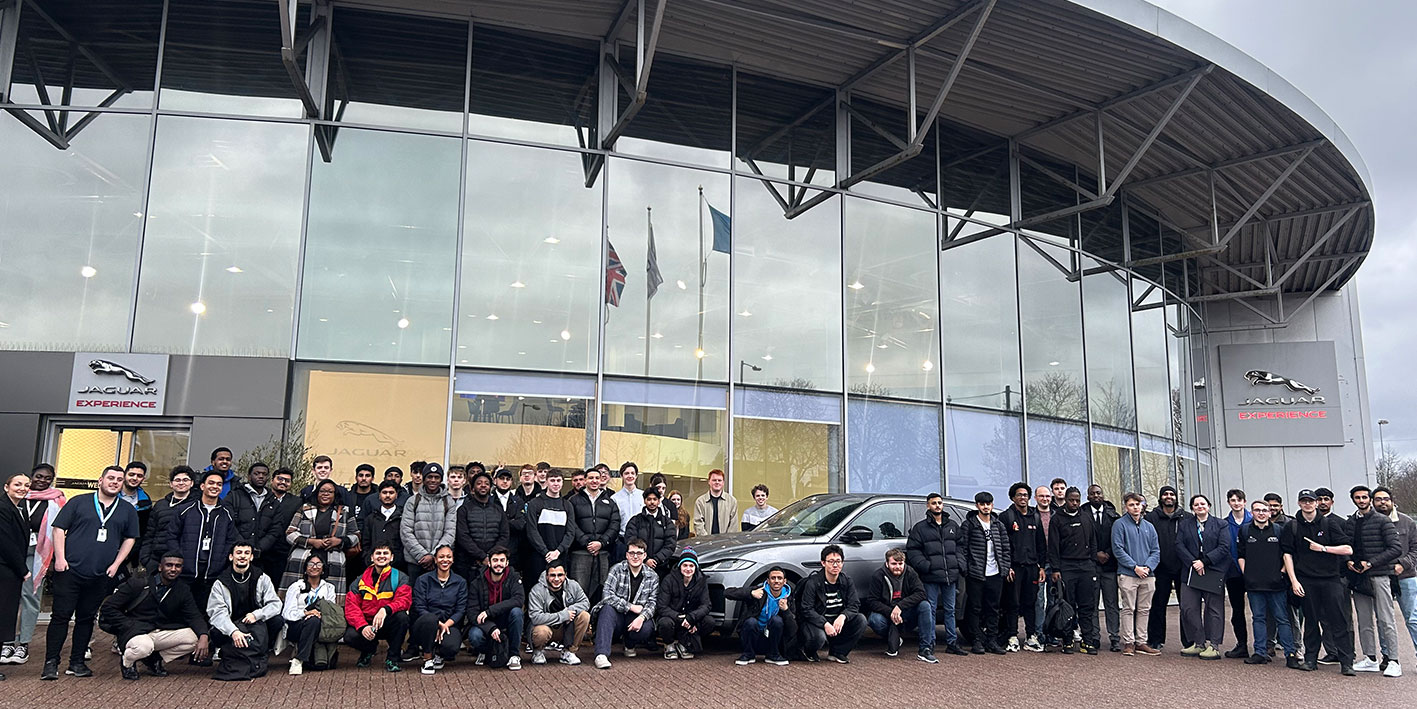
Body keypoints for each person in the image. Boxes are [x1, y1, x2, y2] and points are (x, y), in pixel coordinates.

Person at [42, 465, 139, 680]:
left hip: (101, 574)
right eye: (111, 478)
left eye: (119, 480)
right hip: (69, 570)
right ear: (100, 480)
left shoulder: (127, 510)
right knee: (60, 617)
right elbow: (58, 529)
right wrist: (60, 558)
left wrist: (116, 565)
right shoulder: (79, 502)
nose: (114, 482)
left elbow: (130, 538)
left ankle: (77, 662)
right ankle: (51, 663)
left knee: (86, 619)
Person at [100, 553, 210, 681]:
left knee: (195, 638)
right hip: (134, 632)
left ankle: (154, 660)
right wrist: (127, 624)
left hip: (159, 631)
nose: (173, 569)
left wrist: (204, 636)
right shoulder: (139, 584)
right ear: (160, 567)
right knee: (144, 647)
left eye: (178, 566)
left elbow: (194, 615)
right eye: (169, 565)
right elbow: (108, 608)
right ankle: (127, 663)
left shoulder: (182, 589)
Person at [1283, 488, 1356, 675]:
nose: (1308, 504)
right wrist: (1294, 581)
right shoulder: (1292, 526)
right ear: (1299, 503)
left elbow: (1347, 549)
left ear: (1316, 503)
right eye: (1304, 501)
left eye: (1311, 501)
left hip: (1331, 580)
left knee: (1338, 621)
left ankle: (1346, 662)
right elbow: (1287, 555)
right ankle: (1310, 659)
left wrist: (1323, 548)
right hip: (1306, 580)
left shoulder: (1329, 524)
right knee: (1311, 622)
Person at [12, 463, 65, 666]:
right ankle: (7, 641)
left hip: (38, 554)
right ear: (31, 476)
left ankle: (23, 643)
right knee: (9, 597)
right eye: (39, 476)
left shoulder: (57, 500)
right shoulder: (17, 496)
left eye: (47, 478)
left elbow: (59, 531)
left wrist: (53, 559)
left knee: (30, 597)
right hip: (13, 552)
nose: (42, 481)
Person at [1345, 484, 1402, 675]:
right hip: (1358, 578)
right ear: (1353, 499)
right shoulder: (1350, 522)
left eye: (1364, 497)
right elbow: (1346, 546)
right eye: (1357, 498)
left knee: (1386, 619)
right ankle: (1370, 657)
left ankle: (1394, 660)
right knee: (1363, 620)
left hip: (1380, 576)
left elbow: (1395, 549)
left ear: (1369, 498)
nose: (1361, 500)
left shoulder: (1382, 521)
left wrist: (1371, 563)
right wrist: (1349, 562)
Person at [1235, 499, 1298, 668]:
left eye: (1264, 510)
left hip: (1276, 584)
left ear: (1270, 513)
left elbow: (1288, 554)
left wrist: (1282, 573)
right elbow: (1240, 555)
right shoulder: (1245, 530)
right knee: (1258, 618)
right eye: (1257, 510)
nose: (1261, 513)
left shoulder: (1279, 530)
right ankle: (1260, 652)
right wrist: (1246, 573)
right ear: (1252, 512)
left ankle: (1290, 654)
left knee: (1282, 619)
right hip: (1254, 584)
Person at [207, 543, 282, 681]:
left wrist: (257, 614)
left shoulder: (262, 578)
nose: (242, 556)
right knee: (216, 631)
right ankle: (223, 650)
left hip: (256, 623)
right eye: (239, 552)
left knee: (278, 620)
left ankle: (263, 650)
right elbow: (217, 613)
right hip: (231, 624)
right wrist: (233, 631)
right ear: (231, 557)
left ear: (251, 557)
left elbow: (276, 604)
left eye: (247, 553)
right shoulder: (220, 582)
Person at [165, 469, 238, 605]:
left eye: (219, 484)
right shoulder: (185, 509)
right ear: (202, 486)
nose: (215, 487)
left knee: (205, 611)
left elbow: (230, 540)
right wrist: (179, 557)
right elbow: (172, 535)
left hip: (213, 572)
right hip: (186, 571)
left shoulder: (227, 513)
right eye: (211, 483)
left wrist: (222, 560)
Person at [905, 493, 964, 657]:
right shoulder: (920, 528)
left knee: (950, 610)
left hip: (950, 575)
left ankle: (952, 643)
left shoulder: (952, 525)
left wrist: (958, 563)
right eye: (934, 503)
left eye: (939, 503)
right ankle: (929, 643)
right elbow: (913, 550)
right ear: (928, 506)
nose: (937, 505)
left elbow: (960, 546)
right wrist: (925, 566)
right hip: (930, 576)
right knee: (929, 609)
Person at [282, 479, 360, 598]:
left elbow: (356, 535)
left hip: (333, 558)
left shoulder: (345, 511)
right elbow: (290, 533)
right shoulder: (304, 509)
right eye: (322, 491)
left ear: (335, 495)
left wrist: (340, 541)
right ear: (317, 493)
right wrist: (310, 542)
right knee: (298, 596)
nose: (325, 494)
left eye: (330, 492)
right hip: (303, 557)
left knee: (329, 600)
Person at [1175, 493, 1230, 660]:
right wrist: (1194, 562)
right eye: (1196, 505)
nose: (1200, 507)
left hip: (1212, 571)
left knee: (1214, 609)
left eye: (1203, 504)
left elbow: (1224, 546)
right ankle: (1198, 643)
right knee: (1188, 608)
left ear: (1209, 506)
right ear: (1192, 508)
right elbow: (1179, 545)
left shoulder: (1221, 524)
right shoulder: (1185, 525)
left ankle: (1213, 645)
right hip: (1190, 572)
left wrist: (1204, 562)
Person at [591, 537, 658, 669]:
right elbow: (607, 595)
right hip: (617, 616)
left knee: (647, 627)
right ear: (627, 555)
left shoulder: (653, 576)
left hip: (634, 618)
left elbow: (653, 603)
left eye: (639, 553)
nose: (635, 557)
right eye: (632, 553)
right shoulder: (616, 569)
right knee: (607, 609)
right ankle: (601, 654)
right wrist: (630, 607)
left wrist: (642, 617)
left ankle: (629, 643)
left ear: (644, 556)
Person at [1048, 486, 1100, 655]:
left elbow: (1093, 542)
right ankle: (1068, 640)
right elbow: (1053, 547)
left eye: (1077, 500)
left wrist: (1092, 563)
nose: (1075, 503)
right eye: (1072, 500)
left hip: (1086, 567)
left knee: (1087, 606)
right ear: (1066, 500)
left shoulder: (1086, 518)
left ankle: (1088, 641)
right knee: (1068, 606)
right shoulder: (1057, 519)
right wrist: (1056, 568)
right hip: (1066, 567)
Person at [343, 544, 411, 672]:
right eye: (378, 553)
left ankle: (393, 658)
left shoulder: (400, 578)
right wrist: (362, 626)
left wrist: (385, 609)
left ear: (392, 558)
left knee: (402, 618)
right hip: (367, 624)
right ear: (372, 558)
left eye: (385, 553)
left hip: (388, 622)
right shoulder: (360, 580)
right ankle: (368, 650)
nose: (382, 556)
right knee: (350, 636)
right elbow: (352, 607)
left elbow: (404, 601)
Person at [799, 544, 867, 663]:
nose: (835, 565)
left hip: (836, 621)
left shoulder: (846, 581)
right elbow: (806, 609)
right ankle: (809, 651)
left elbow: (854, 604)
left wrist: (843, 616)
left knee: (861, 620)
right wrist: (824, 623)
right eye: (831, 561)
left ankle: (838, 652)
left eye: (838, 561)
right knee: (818, 638)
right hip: (817, 622)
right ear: (823, 563)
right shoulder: (813, 582)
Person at [961, 490, 1011, 654]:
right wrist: (967, 568)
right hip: (976, 574)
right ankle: (977, 640)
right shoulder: (969, 524)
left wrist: (1004, 567)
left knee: (993, 608)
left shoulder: (998, 525)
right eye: (982, 504)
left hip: (995, 574)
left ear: (992, 505)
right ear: (977, 506)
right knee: (975, 608)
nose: (985, 507)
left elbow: (1005, 548)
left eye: (988, 504)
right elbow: (963, 548)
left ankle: (992, 640)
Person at [1112, 492, 1161, 656]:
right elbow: (1118, 550)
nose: (1135, 507)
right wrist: (1135, 567)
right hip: (1128, 574)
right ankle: (1128, 642)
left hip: (1148, 575)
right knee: (1128, 608)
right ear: (1126, 506)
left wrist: (1147, 567)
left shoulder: (1149, 527)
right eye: (1131, 504)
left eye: (1137, 504)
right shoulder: (1119, 525)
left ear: (1142, 506)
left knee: (1144, 609)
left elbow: (1156, 551)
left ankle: (1141, 641)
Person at [999, 482, 1046, 653]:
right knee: (1012, 602)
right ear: (1013, 497)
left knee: (1031, 603)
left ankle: (1031, 636)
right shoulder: (1006, 517)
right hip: (1014, 568)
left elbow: (1041, 544)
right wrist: (1007, 566)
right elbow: (1002, 545)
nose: (1023, 498)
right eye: (1019, 495)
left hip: (1032, 567)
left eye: (1025, 495)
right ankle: (1012, 636)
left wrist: (1041, 567)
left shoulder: (1035, 517)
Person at [1372, 487, 1417, 666]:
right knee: (1383, 618)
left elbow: (1415, 549)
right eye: (1378, 499)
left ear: (1392, 500)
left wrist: (1403, 564)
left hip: (1406, 576)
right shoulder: (1370, 523)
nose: (1382, 502)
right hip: (1381, 576)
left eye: (1385, 499)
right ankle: (1387, 655)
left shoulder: (1407, 522)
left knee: (1413, 618)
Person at [1144, 484, 1190, 651]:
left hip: (1182, 568)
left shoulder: (1187, 517)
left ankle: (1189, 640)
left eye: (1172, 494)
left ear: (1176, 497)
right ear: (1161, 497)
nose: (1168, 496)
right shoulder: (1151, 518)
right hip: (1160, 568)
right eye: (1165, 494)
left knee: (1186, 606)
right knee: (1157, 605)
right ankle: (1155, 639)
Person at [466, 546, 525, 670]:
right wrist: (491, 628)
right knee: (474, 635)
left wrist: (490, 611)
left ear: (507, 563)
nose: (499, 564)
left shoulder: (514, 578)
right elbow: (472, 613)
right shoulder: (477, 582)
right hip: (486, 624)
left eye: (502, 560)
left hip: (506, 621)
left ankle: (514, 655)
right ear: (489, 562)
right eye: (495, 560)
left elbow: (519, 600)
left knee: (517, 612)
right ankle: (487, 652)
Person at [863, 548, 928, 660]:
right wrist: (891, 612)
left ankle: (925, 648)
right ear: (887, 564)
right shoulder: (878, 575)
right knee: (875, 620)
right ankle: (894, 638)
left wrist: (900, 606)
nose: (897, 567)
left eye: (900, 563)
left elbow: (921, 593)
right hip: (886, 612)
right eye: (894, 564)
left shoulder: (910, 572)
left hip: (906, 611)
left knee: (925, 606)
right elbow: (872, 601)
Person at [410, 546, 465, 675]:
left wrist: (445, 625)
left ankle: (439, 654)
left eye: (448, 557)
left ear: (452, 560)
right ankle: (428, 658)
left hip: (449, 624)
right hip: (425, 624)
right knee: (430, 619)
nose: (444, 560)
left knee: (451, 647)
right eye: (441, 557)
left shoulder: (460, 582)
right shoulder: (423, 580)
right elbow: (419, 606)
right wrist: (437, 623)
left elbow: (460, 609)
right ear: (435, 560)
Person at [400, 462, 456, 585]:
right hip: (416, 561)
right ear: (424, 479)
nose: (433, 480)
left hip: (440, 562)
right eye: (429, 477)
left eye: (436, 477)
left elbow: (450, 532)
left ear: (441, 480)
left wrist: (435, 555)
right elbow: (406, 532)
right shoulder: (413, 501)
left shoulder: (448, 502)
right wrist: (423, 555)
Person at [281, 555, 338, 675]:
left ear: (323, 569)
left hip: (320, 625)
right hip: (295, 627)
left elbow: (331, 611)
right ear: (305, 568)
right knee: (312, 620)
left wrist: (317, 614)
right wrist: (305, 613)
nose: (314, 567)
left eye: (318, 564)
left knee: (314, 621)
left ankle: (299, 658)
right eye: (311, 564)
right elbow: (287, 614)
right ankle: (299, 661)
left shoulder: (329, 588)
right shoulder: (296, 587)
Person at [570, 467, 620, 602]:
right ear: (585, 480)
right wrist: (586, 542)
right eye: (591, 478)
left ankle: (598, 621)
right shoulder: (573, 501)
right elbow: (571, 524)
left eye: (597, 478)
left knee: (602, 590)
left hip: (602, 553)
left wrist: (601, 543)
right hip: (580, 553)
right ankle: (581, 622)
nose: (594, 481)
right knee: (578, 591)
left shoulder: (610, 502)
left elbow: (615, 525)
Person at [528, 559, 590, 665]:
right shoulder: (536, 590)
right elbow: (535, 617)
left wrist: (570, 610)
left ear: (565, 575)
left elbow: (585, 603)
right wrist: (563, 615)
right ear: (546, 576)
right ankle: (538, 652)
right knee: (541, 631)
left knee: (584, 616)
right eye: (552, 575)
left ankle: (569, 652)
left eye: (560, 575)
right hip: (546, 628)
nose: (556, 579)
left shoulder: (573, 585)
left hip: (566, 628)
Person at [0, 472, 32, 680]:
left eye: (26, 485)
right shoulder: (3, 508)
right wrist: (23, 569)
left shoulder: (18, 508)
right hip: (5, 569)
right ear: (6, 487)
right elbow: (5, 541)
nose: (22, 488)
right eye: (17, 484)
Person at [728, 567, 795, 665]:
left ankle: (773, 655)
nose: (776, 581)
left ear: (785, 581)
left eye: (779, 578)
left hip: (774, 640)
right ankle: (748, 654)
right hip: (754, 636)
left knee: (777, 620)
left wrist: (786, 611)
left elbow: (793, 629)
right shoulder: (759, 591)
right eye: (773, 578)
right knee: (751, 621)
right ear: (768, 581)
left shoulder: (789, 597)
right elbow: (727, 593)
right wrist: (750, 593)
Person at [655, 548, 713, 659]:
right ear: (680, 566)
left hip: (691, 618)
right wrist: (679, 617)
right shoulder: (669, 580)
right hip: (673, 618)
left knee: (709, 621)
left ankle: (684, 643)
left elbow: (706, 605)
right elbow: (662, 606)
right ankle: (669, 644)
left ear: (696, 567)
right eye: (685, 565)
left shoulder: (701, 581)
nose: (688, 569)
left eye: (691, 566)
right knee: (665, 623)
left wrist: (692, 618)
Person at [524, 469, 573, 594]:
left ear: (562, 483)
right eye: (552, 480)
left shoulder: (567, 505)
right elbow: (532, 531)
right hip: (539, 556)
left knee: (559, 591)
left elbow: (570, 532)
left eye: (558, 481)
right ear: (546, 482)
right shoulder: (535, 503)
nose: (555, 484)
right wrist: (545, 552)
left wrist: (558, 551)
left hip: (560, 556)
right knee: (536, 591)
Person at [1085, 485, 1122, 652]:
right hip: (1091, 565)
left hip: (1109, 566)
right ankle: (1094, 637)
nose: (1096, 496)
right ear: (1088, 496)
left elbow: (1118, 540)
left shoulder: (1113, 515)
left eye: (1098, 493)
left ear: (1103, 494)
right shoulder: (1082, 514)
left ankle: (1114, 637)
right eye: (1092, 494)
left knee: (1111, 603)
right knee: (1091, 604)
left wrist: (1106, 553)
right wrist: (1095, 554)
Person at [455, 469, 509, 580]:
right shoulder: (464, 510)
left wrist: (491, 556)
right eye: (479, 483)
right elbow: (463, 536)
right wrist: (482, 556)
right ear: (472, 489)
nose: (483, 486)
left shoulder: (498, 510)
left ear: (490, 488)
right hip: (467, 564)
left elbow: (504, 535)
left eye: (486, 483)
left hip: (492, 564)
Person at [1220, 489, 1253, 659]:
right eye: (1233, 500)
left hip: (1255, 574)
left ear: (1245, 502)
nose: (1236, 503)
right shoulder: (1224, 524)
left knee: (1259, 611)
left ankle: (1266, 645)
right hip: (1233, 574)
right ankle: (1242, 645)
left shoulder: (1254, 521)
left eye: (1239, 500)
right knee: (1237, 611)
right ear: (1229, 503)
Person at [255, 468, 303, 586]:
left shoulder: (296, 502)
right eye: (280, 479)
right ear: (272, 480)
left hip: (283, 552)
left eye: (287, 481)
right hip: (261, 549)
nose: (283, 482)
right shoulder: (262, 497)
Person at [625, 487, 677, 574]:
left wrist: (656, 560)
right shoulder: (635, 521)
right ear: (644, 501)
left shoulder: (667, 522)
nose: (652, 502)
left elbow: (670, 544)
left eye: (655, 499)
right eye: (649, 499)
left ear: (659, 501)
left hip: (661, 568)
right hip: (638, 566)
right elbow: (630, 541)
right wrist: (645, 559)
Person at [358, 481, 405, 573]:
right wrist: (368, 559)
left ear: (396, 495)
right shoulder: (371, 518)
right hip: (373, 566)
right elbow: (365, 543)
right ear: (379, 495)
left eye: (391, 493)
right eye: (384, 492)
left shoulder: (403, 517)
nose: (387, 496)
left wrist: (398, 559)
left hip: (398, 566)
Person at [224, 463, 270, 551]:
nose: (261, 476)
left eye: (264, 474)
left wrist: (260, 546)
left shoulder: (272, 499)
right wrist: (243, 545)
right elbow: (227, 520)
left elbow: (275, 528)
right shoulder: (234, 496)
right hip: (236, 549)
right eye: (257, 473)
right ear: (249, 476)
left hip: (263, 553)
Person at [1033, 484, 1055, 647]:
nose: (1045, 499)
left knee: (1054, 600)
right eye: (1042, 496)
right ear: (1036, 498)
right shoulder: (1031, 516)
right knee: (1039, 600)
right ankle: (1039, 632)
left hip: (1054, 564)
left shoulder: (1057, 515)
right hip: (1038, 564)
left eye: (1047, 496)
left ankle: (1052, 632)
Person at [119, 462, 153, 563]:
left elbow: (143, 531)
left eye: (139, 476)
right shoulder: (112, 496)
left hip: (132, 553)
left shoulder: (145, 501)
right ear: (124, 475)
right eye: (131, 474)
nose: (135, 478)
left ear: (143, 479)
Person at [692, 469, 738, 536]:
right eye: (714, 480)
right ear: (709, 482)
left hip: (726, 543)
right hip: (706, 543)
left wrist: (727, 540)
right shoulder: (700, 502)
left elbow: (733, 524)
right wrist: (707, 539)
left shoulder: (732, 501)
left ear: (723, 482)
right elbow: (698, 523)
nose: (717, 482)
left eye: (719, 480)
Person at [611, 462, 644, 555]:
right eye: (626, 473)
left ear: (636, 476)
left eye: (632, 473)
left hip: (641, 541)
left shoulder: (643, 496)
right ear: (622, 476)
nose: (630, 476)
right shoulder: (615, 498)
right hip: (621, 542)